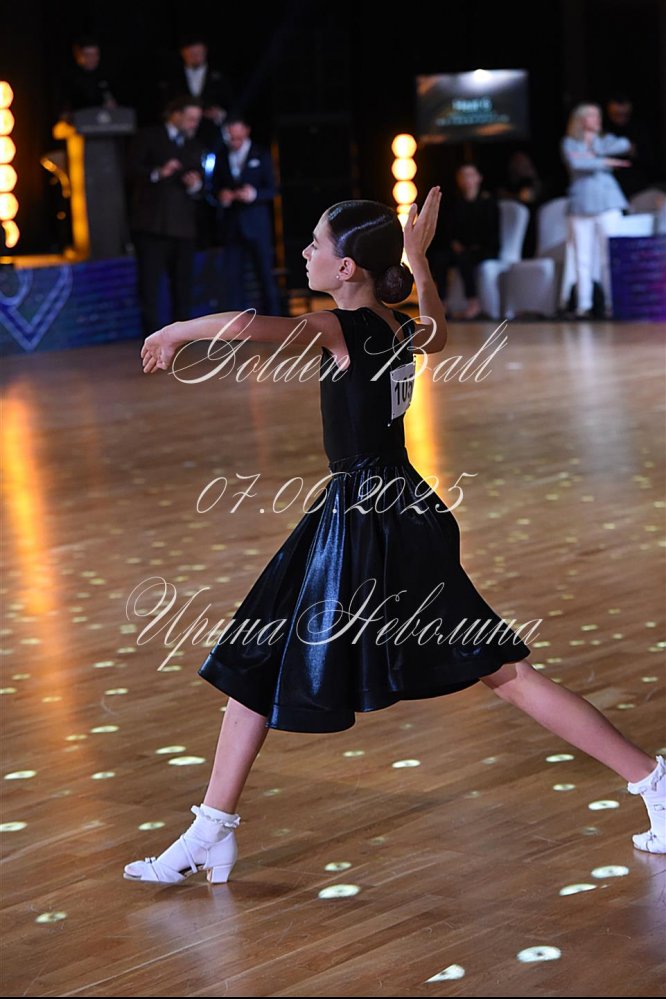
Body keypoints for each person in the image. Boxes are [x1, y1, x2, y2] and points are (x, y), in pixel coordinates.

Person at [123, 187, 665, 884]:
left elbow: (247, 327)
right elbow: (437, 327)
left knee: (500, 669)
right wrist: (418, 257)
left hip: (373, 521)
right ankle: (211, 829)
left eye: (316, 244)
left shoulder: (340, 328)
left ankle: (652, 780)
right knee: (260, 650)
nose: (306, 253)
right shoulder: (397, 327)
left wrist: (175, 330)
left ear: (347, 267)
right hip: (380, 511)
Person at [128, 96, 205, 335]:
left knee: (183, 285)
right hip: (152, 225)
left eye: (197, 120)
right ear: (176, 115)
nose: (194, 124)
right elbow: (130, 170)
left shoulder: (195, 145)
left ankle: (182, 337)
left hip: (183, 228)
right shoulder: (149, 137)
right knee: (150, 285)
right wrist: (158, 173)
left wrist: (195, 185)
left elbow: (201, 183)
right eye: (190, 118)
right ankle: (151, 337)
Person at [560, 103, 632, 319]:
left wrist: (595, 153)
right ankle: (584, 305)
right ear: (581, 120)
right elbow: (576, 163)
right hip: (581, 205)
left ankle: (612, 304)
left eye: (597, 115)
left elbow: (624, 144)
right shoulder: (570, 142)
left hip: (607, 204)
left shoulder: (603, 141)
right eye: (592, 115)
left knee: (609, 256)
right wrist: (605, 162)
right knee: (582, 258)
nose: (597, 119)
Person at [212, 116, 282, 316]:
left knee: (265, 276)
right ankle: (238, 324)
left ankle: (276, 321)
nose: (234, 142)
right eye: (230, 138)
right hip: (232, 227)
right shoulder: (220, 155)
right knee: (233, 279)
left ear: (246, 131)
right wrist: (222, 196)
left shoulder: (261, 154)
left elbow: (273, 189)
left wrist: (254, 194)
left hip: (257, 225)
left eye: (238, 137)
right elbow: (212, 189)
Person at [427, 163, 500, 320]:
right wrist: (454, 243)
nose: (467, 179)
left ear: (479, 178)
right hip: (460, 248)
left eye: (470, 175)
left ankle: (473, 302)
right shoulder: (455, 203)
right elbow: (450, 230)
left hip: (483, 248)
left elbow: (490, 232)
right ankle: (442, 303)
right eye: (463, 176)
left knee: (464, 258)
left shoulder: (488, 202)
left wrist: (471, 246)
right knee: (439, 257)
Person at [159, 34, 235, 152]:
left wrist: (219, 114)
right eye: (191, 53)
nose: (195, 57)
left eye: (198, 53)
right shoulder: (172, 78)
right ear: (183, 53)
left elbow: (232, 106)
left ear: (205, 51)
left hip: (211, 138)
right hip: (180, 138)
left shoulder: (220, 77)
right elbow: (166, 106)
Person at [604, 93, 658, 199]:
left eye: (624, 115)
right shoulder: (604, 130)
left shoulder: (638, 130)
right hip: (610, 184)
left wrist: (634, 152)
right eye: (616, 115)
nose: (621, 118)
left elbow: (648, 158)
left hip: (636, 183)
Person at [56, 35, 119, 119]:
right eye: (88, 55)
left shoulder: (105, 77)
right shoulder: (69, 79)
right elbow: (64, 110)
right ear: (78, 56)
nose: (93, 59)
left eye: (96, 54)